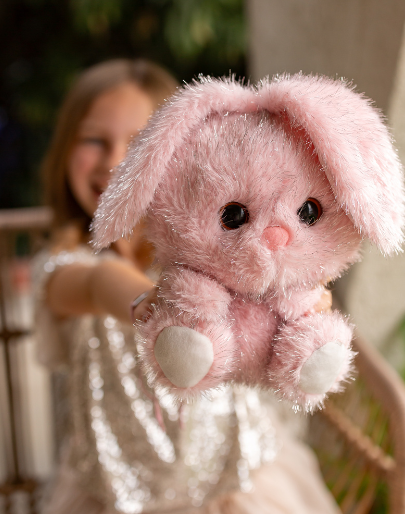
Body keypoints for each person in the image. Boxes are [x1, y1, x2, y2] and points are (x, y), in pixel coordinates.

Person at [34, 58, 341, 514]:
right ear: (65, 151)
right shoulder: (62, 264)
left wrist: (303, 302)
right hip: (112, 497)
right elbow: (98, 283)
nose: (114, 160)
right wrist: (154, 303)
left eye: (139, 142)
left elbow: (272, 297)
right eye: (93, 140)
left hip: (239, 483)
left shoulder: (219, 254)